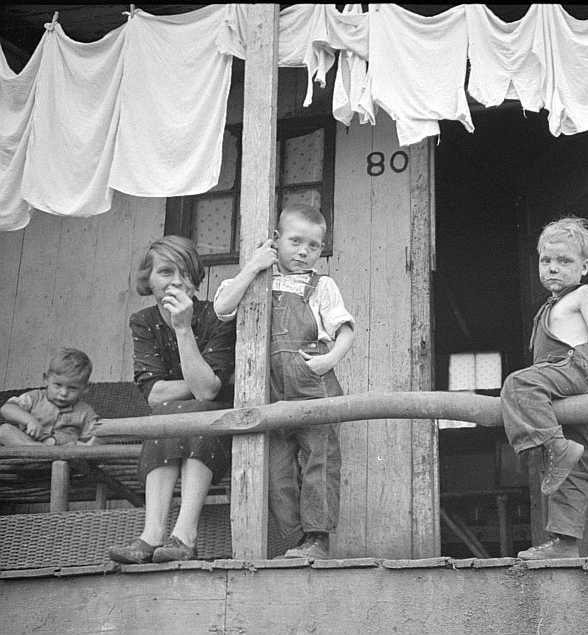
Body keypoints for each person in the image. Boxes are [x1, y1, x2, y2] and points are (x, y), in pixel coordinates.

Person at [213, 203, 354, 560]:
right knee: (276, 472)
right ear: (276, 240)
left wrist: (328, 360)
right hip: (269, 390)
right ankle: (295, 542)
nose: (304, 252)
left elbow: (345, 329)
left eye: (314, 246)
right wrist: (253, 267)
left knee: (319, 461)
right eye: (295, 241)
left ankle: (317, 539)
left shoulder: (322, 285)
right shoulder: (257, 279)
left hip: (313, 384)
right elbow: (222, 308)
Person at [501, 216, 588, 560]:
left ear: (585, 266)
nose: (553, 269)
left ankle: (553, 447)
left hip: (573, 370)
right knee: (574, 466)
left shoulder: (585, 295)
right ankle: (566, 544)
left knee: (518, 384)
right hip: (560, 383)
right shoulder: (548, 306)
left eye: (565, 261)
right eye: (546, 261)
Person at [108, 236, 236, 564]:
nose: (177, 281)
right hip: (173, 424)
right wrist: (196, 384)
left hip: (218, 425)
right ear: (147, 280)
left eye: (186, 273)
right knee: (166, 413)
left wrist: (183, 329)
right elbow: (154, 394)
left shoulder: (218, 317)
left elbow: (209, 392)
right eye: (166, 272)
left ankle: (184, 536)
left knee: (192, 410)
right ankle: (152, 536)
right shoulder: (144, 321)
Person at [0, 348, 99, 446]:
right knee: (4, 430)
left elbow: (93, 438)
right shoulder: (35, 398)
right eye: (57, 385)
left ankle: (48, 455)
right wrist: (30, 420)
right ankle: (38, 450)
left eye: (72, 388)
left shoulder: (86, 412)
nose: (63, 393)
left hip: (63, 452)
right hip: (28, 443)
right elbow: (7, 408)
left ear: (85, 388)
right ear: (46, 379)